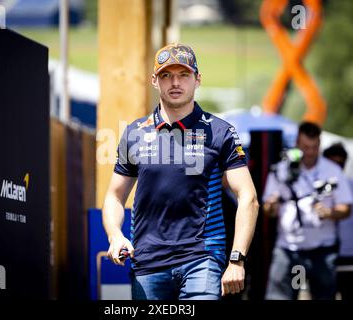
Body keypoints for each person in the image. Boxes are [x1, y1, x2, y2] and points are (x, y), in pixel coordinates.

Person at [102, 43, 259, 300]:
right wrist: (115, 236)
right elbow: (114, 196)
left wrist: (237, 259)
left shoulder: (221, 132)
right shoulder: (134, 133)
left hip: (202, 259)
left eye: (183, 75)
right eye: (166, 75)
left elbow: (248, 198)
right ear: (155, 80)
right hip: (148, 263)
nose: (175, 83)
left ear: (197, 79)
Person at [263, 122, 353, 300]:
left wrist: (330, 213)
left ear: (320, 144)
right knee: (279, 297)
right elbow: (267, 209)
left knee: (323, 296)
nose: (310, 152)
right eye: (305, 147)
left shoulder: (332, 170)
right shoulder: (281, 170)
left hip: (322, 251)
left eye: (314, 147)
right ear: (297, 143)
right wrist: (271, 206)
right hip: (288, 248)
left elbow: (345, 208)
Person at [323, 142, 353, 300]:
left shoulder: (350, 185)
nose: (336, 168)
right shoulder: (315, 187)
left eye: (340, 163)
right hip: (323, 256)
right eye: (332, 163)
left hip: (348, 258)